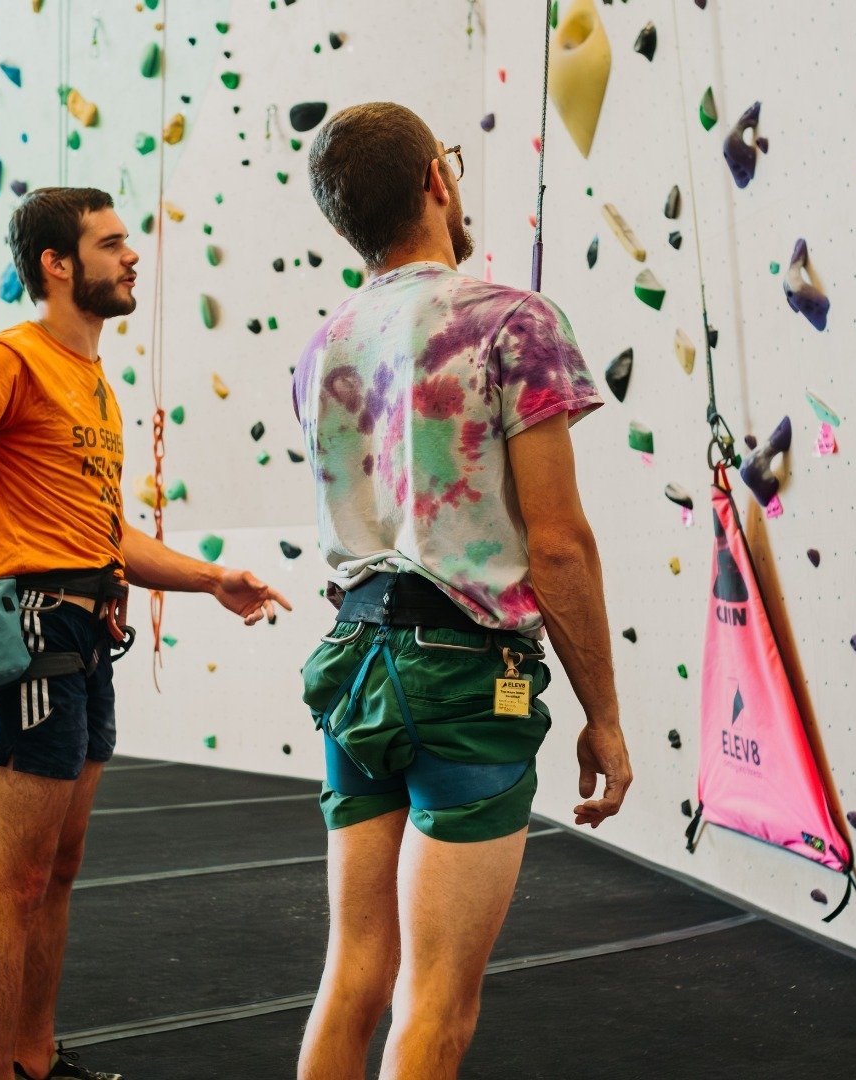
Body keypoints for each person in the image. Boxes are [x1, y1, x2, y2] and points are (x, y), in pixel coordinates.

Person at [0, 187, 291, 1080]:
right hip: (34, 634)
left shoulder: (92, 380)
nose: (131, 257)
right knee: (14, 882)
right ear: (57, 264)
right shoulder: (6, 359)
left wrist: (212, 577)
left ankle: (33, 1059)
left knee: (57, 873)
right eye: (110, 243)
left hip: (90, 635)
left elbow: (104, 535)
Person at [292, 103, 633, 1080]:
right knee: (435, 1005)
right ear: (438, 181)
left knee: (352, 974)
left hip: (353, 664)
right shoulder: (511, 322)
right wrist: (603, 714)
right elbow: (558, 543)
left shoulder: (324, 347)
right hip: (463, 676)